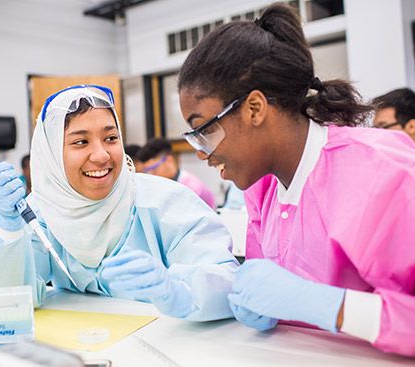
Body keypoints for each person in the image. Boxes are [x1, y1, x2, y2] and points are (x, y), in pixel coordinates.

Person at [177, 3, 415, 356]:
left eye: (204, 131)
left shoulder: (380, 172)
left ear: (255, 109)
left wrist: (328, 305)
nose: (200, 152)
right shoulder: (262, 187)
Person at [0, 85, 238, 321]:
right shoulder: (41, 214)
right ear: (51, 155)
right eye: (80, 142)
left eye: (111, 139)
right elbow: (6, 301)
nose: (101, 155)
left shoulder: (166, 202)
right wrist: (9, 228)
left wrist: (178, 292)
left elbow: (228, 282)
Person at [137, 138, 216, 209]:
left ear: (169, 160)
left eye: (153, 169)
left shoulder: (191, 188)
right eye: (147, 171)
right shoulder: (164, 185)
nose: (151, 175)